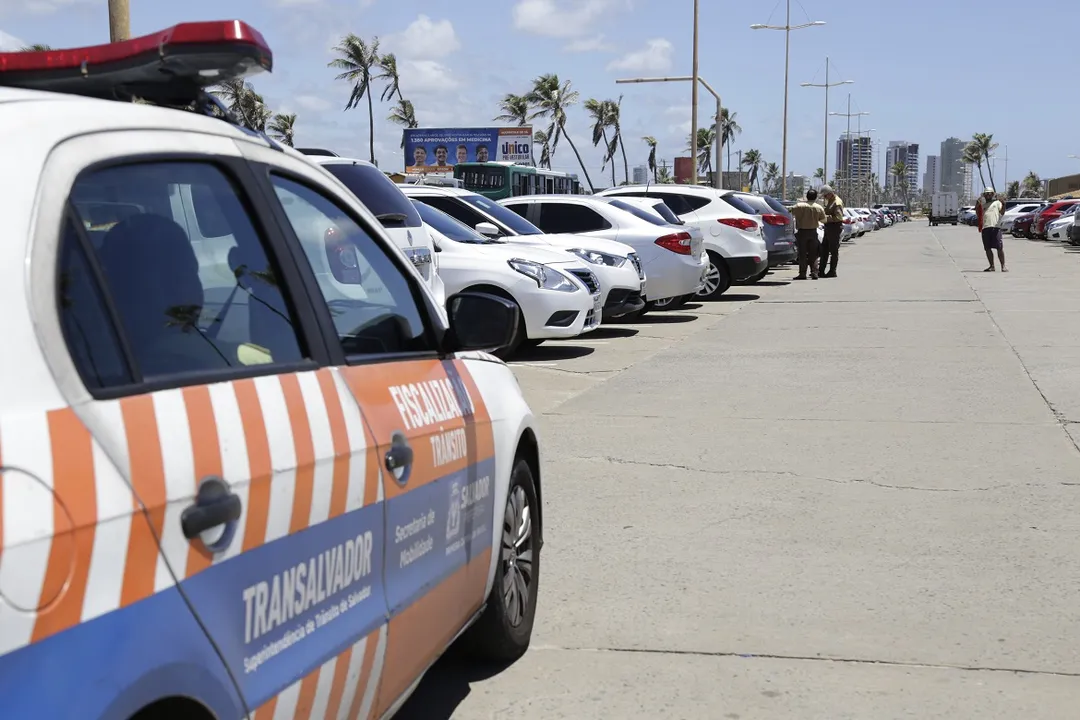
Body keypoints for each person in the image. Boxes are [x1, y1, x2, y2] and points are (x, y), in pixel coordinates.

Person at [790, 188, 826, 280]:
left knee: (802, 254)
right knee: (814, 254)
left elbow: (790, 212)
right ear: (815, 197)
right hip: (813, 232)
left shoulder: (799, 206)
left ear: (807, 196)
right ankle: (814, 272)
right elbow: (823, 220)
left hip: (802, 232)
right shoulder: (819, 207)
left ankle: (802, 273)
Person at [976, 187, 1007, 272]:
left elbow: (1002, 212)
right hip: (985, 228)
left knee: (999, 248)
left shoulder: (997, 203)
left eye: (990, 193)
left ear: (993, 194)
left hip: (995, 227)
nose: (988, 195)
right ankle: (992, 266)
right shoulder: (982, 205)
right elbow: (978, 214)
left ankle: (1003, 266)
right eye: (986, 193)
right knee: (987, 248)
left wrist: (1003, 204)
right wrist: (977, 203)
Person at [818, 184, 844, 278]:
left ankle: (832, 271)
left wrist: (825, 218)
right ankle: (821, 271)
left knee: (833, 251)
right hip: (829, 228)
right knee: (824, 249)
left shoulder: (836, 203)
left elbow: (838, 217)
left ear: (829, 194)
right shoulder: (830, 201)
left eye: (825, 195)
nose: (824, 197)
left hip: (834, 228)